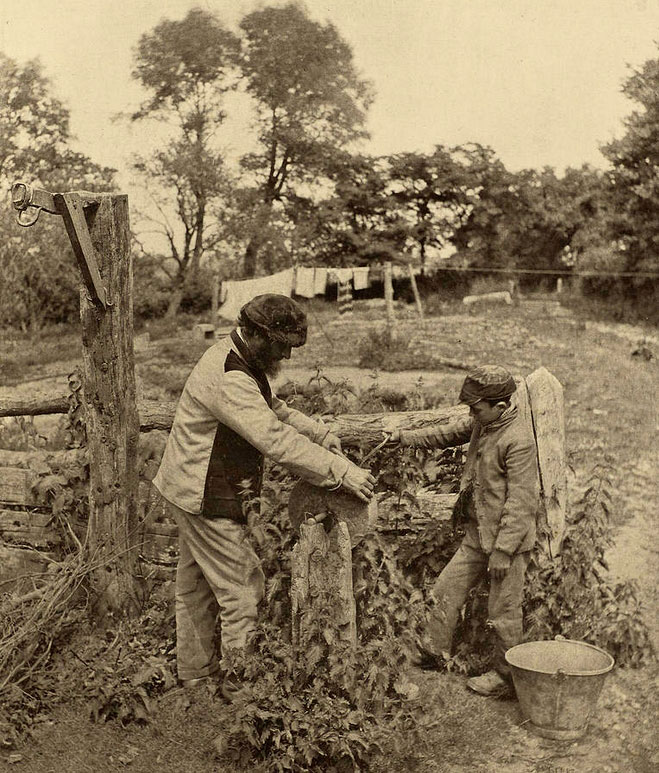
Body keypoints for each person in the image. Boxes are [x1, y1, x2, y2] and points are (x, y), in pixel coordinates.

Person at [152, 294, 375, 692]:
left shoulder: (239, 358)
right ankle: (242, 688)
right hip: (204, 494)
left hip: (190, 487)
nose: (286, 356)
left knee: (197, 585)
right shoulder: (229, 376)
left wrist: (320, 434)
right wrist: (340, 471)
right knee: (242, 587)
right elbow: (273, 439)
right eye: (281, 345)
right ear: (255, 334)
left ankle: (194, 675)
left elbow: (276, 410)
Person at [389, 365, 539, 697]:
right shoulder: (485, 423)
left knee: (504, 610)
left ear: (500, 406)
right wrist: (404, 437)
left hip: (506, 543)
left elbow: (522, 503)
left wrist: (502, 551)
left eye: (476, 407)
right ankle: (432, 651)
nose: (471, 413)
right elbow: (447, 433)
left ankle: (507, 679)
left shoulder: (517, 440)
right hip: (478, 534)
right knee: (445, 589)